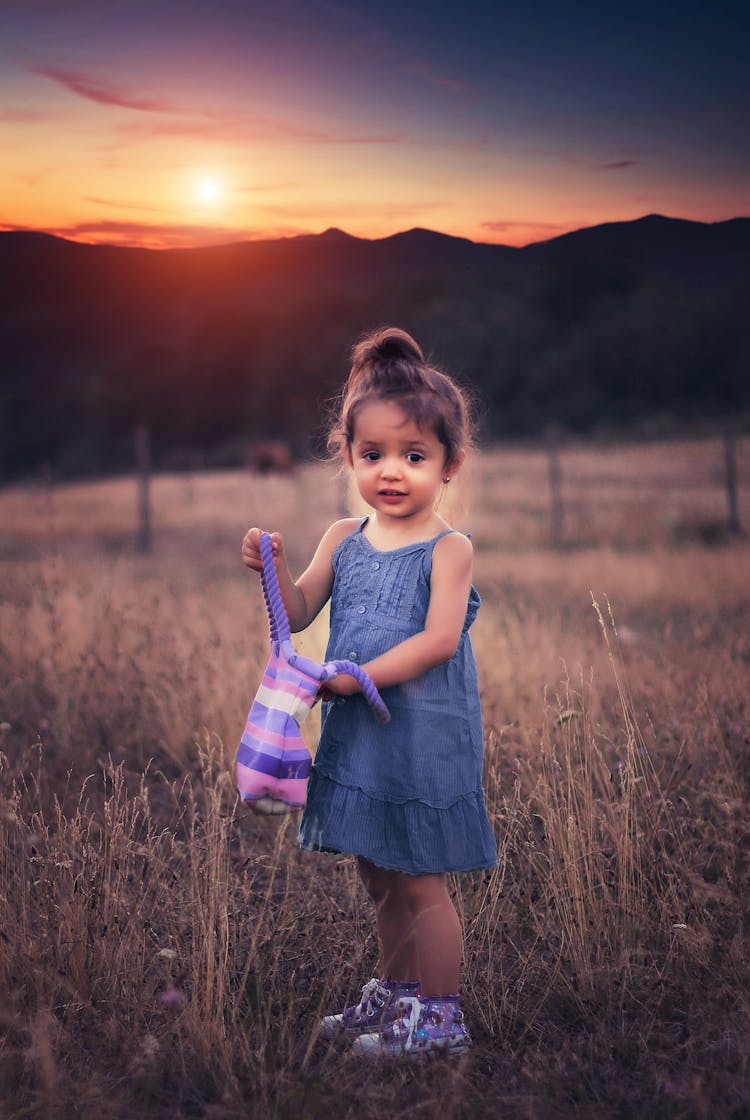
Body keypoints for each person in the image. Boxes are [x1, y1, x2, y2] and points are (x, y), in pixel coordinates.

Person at [241, 327, 497, 1058]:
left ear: (449, 464)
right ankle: (397, 996)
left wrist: (359, 675)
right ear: (347, 453)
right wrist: (271, 567)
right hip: (360, 738)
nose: (393, 471)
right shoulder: (342, 538)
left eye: (415, 456)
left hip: (420, 736)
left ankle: (441, 1017)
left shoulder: (450, 550)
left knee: (420, 881)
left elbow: (439, 639)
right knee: (379, 876)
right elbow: (295, 615)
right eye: (374, 454)